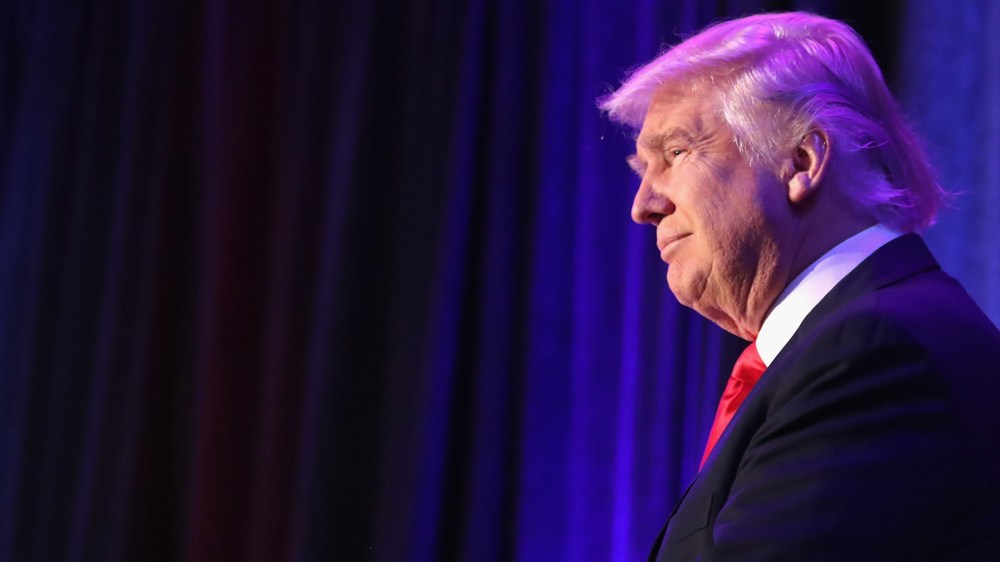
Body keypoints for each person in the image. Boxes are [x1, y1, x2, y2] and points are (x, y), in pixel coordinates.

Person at [600, 12, 1000, 561]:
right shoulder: (848, 342)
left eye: (675, 154)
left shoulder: (875, 350)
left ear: (800, 161)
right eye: (642, 168)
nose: (643, 206)